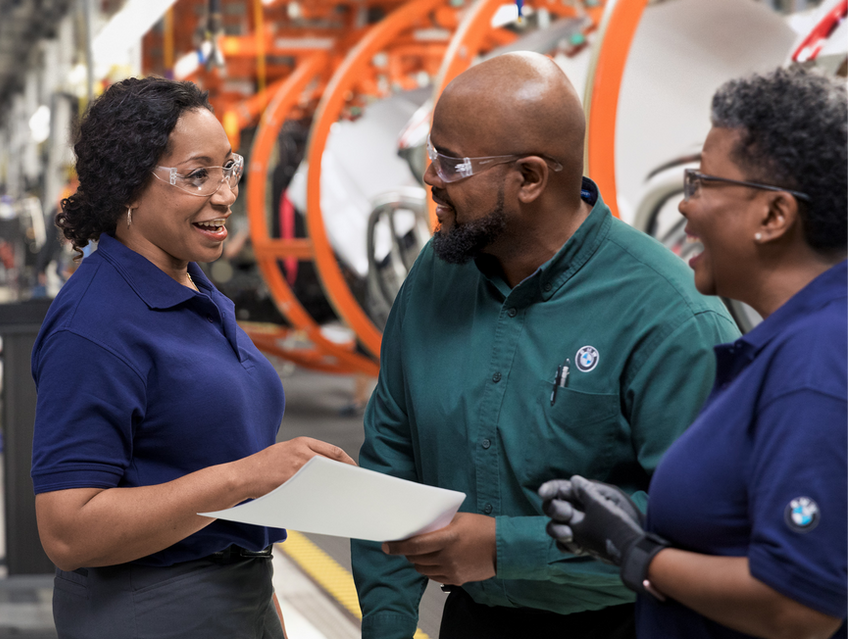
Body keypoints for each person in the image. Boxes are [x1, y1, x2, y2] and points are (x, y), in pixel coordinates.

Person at [350, 51, 741, 639]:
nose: (431, 178)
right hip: (473, 621)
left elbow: (704, 523)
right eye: (433, 156)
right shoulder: (437, 274)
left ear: (530, 178)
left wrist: (506, 547)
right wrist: (386, 621)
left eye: (452, 164)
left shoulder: (670, 317)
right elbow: (393, 452)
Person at [30, 77, 353, 639]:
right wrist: (246, 477)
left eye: (227, 169)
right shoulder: (94, 324)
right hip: (151, 609)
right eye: (197, 175)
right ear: (128, 187)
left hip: (238, 592)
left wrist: (259, 591)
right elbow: (67, 531)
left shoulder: (193, 288)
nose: (225, 194)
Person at [541, 65, 847, 639]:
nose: (685, 207)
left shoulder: (816, 363)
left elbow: (798, 605)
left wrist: (637, 553)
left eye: (703, 184)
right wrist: (639, 531)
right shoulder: (798, 343)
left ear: (774, 215)